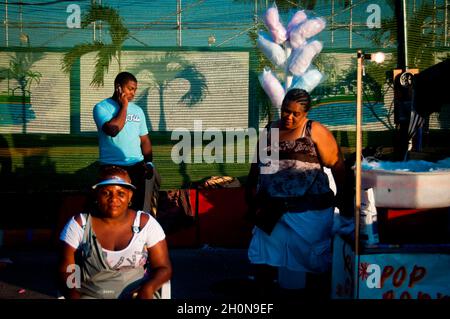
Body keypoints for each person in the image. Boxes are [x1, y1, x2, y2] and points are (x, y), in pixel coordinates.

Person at [245, 88, 346, 298]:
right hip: (272, 208)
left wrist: (345, 200)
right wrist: (251, 197)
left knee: (314, 262)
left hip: (308, 212)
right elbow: (259, 166)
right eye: (285, 111)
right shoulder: (271, 129)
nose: (288, 117)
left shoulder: (314, 130)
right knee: (262, 259)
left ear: (306, 113)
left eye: (295, 113)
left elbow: (336, 164)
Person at [58, 166, 172, 299]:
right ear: (96, 195)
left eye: (121, 193)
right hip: (90, 295)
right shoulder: (79, 224)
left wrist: (148, 288)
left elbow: (163, 267)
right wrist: (73, 294)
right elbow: (67, 268)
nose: (113, 199)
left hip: (136, 295)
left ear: (130, 196)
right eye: (106, 193)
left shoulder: (145, 224)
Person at [93, 71, 159, 213]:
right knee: (113, 208)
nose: (133, 93)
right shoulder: (101, 107)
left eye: (135, 89)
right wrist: (124, 106)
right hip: (111, 168)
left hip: (136, 166)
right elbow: (113, 129)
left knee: (137, 208)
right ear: (118, 87)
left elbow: (145, 139)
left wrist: (149, 163)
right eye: (130, 88)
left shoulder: (138, 110)